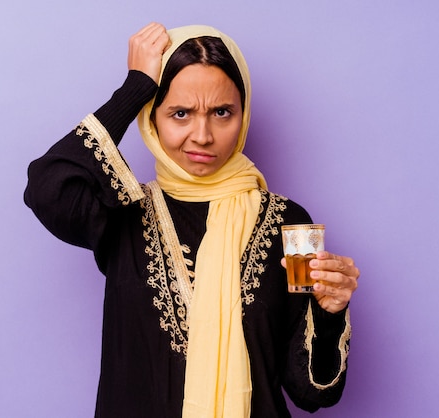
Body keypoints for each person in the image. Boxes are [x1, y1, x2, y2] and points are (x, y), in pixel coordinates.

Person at [24, 22, 359, 418]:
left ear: (243, 113)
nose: (202, 135)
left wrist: (329, 312)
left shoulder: (293, 224)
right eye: (180, 113)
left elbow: (311, 393)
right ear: (152, 117)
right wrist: (135, 88)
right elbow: (47, 188)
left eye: (222, 112)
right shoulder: (123, 214)